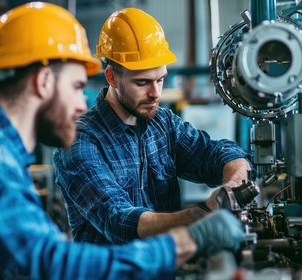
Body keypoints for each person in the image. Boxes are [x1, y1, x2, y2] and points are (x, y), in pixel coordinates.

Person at [0, 2, 245, 279]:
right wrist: (189, 239)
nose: (83, 104)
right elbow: (47, 264)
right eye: (74, 87)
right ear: (43, 82)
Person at [54, 7, 254, 245]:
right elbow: (118, 221)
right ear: (112, 77)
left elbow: (216, 153)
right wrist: (199, 217)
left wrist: (234, 183)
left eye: (160, 79)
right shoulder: (79, 141)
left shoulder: (162, 124)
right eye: (142, 83)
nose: (156, 93)